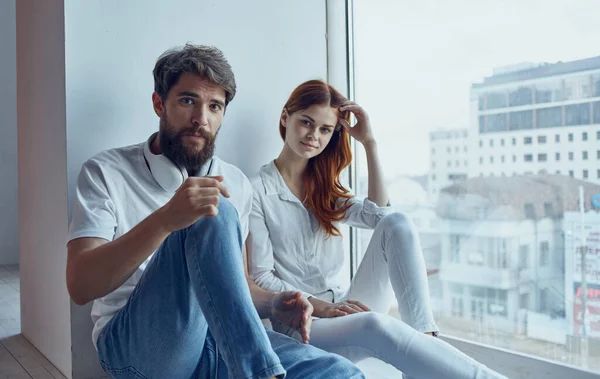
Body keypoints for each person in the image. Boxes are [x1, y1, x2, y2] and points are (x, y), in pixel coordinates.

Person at [66, 45, 365, 379]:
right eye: (187, 101)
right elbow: (80, 285)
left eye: (214, 106)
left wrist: (275, 302)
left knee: (341, 373)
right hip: (138, 347)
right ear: (158, 104)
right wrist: (167, 219)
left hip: (218, 341)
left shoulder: (236, 181)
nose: (201, 119)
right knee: (214, 210)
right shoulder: (105, 171)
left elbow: (232, 285)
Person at [248, 79, 508, 379]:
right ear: (285, 118)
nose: (313, 135)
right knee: (374, 324)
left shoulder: (322, 189)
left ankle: (425, 337)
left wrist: (369, 143)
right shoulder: (256, 191)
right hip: (306, 326)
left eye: (325, 129)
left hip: (345, 306)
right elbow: (262, 278)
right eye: (306, 122)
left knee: (398, 223)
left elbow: (379, 216)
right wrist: (323, 308)